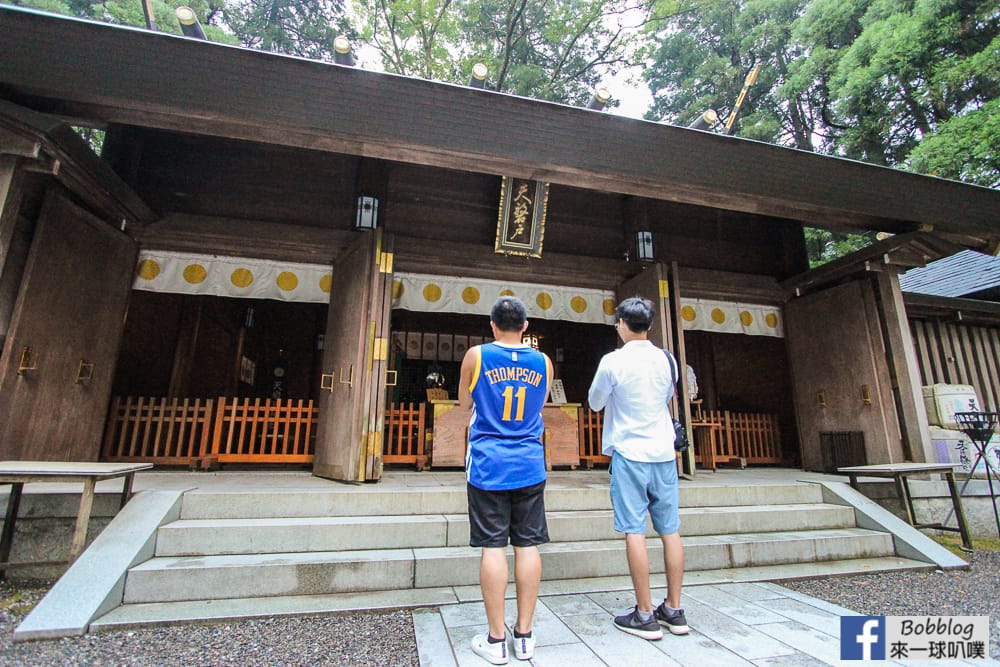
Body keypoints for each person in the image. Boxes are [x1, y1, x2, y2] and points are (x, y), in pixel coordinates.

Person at [587, 296, 690, 641]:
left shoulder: (612, 361)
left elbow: (595, 402)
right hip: (663, 451)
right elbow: (669, 397)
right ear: (650, 325)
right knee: (670, 529)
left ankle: (644, 613)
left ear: (621, 325)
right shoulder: (668, 360)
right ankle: (674, 609)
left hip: (630, 451)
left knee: (635, 530)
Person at [459, 296, 553, 664]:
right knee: (528, 545)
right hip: (529, 462)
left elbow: (464, 404)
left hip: (487, 464)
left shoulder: (477, 356)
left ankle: (496, 639)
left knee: (493, 546)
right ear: (525, 326)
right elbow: (540, 403)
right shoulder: (542, 361)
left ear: (492, 324)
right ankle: (525, 635)